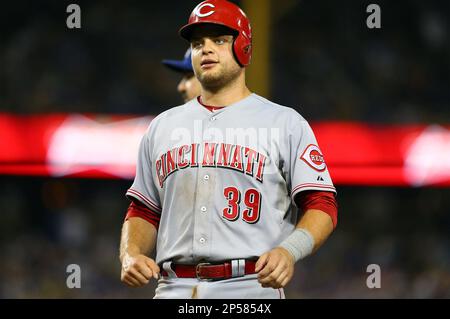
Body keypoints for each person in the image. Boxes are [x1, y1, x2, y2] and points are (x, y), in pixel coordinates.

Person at [120, 0, 338, 299]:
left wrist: (289, 251)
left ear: (244, 47)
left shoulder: (284, 122)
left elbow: (322, 203)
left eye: (219, 40)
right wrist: (130, 254)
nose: (206, 49)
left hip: (250, 286)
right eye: (198, 43)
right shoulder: (162, 127)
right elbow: (143, 209)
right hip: (174, 287)